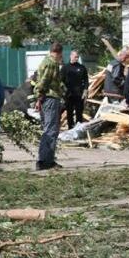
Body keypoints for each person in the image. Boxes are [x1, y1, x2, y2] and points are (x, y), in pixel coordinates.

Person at [34, 43, 65, 171]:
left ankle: (44, 159)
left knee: (48, 129)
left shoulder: (45, 61)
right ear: (58, 53)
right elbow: (43, 82)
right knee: (51, 130)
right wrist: (39, 96)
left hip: (46, 99)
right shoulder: (52, 63)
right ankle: (46, 161)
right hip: (50, 98)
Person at [61, 50, 89, 129]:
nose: (76, 58)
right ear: (71, 56)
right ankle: (70, 128)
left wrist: (85, 90)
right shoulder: (65, 68)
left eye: (77, 57)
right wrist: (63, 91)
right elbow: (60, 80)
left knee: (79, 112)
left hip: (79, 94)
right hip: (69, 94)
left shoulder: (81, 67)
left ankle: (78, 128)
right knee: (69, 112)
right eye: (75, 56)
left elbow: (86, 80)